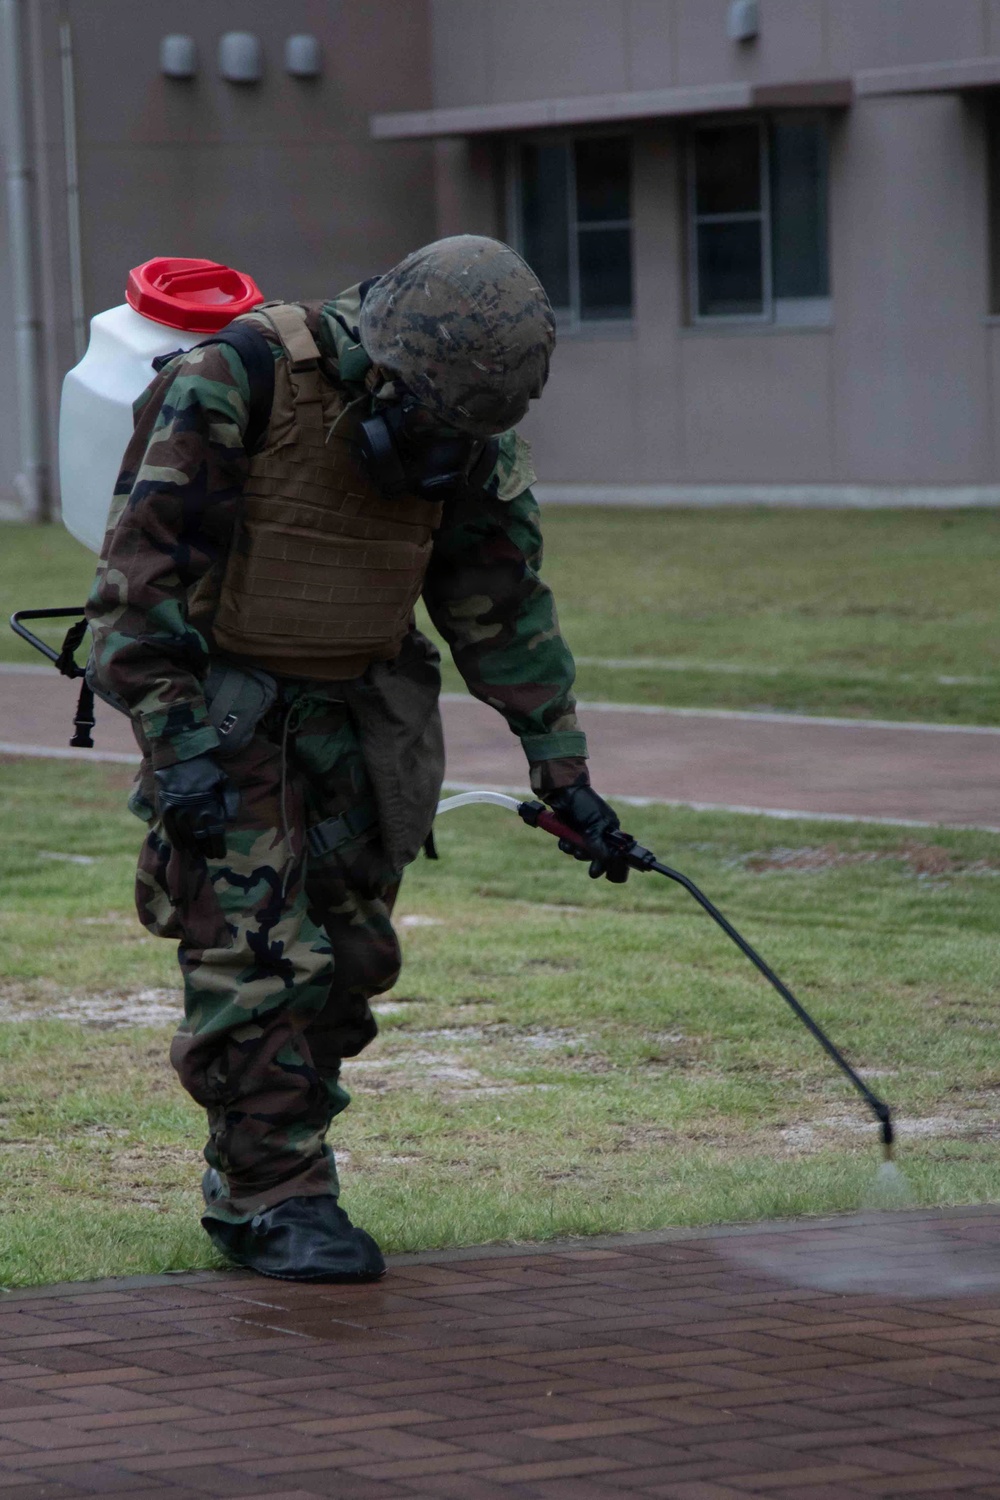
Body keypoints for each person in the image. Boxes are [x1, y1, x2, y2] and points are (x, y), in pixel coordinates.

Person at [86, 235, 628, 1283]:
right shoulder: (232, 381)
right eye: (424, 416)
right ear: (383, 359)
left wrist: (563, 772)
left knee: (350, 966)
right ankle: (277, 1194)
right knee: (257, 965)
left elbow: (500, 605)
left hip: (365, 716)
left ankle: (255, 1171)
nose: (435, 442)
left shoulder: (463, 431)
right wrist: (179, 748)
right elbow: (134, 593)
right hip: (227, 714)